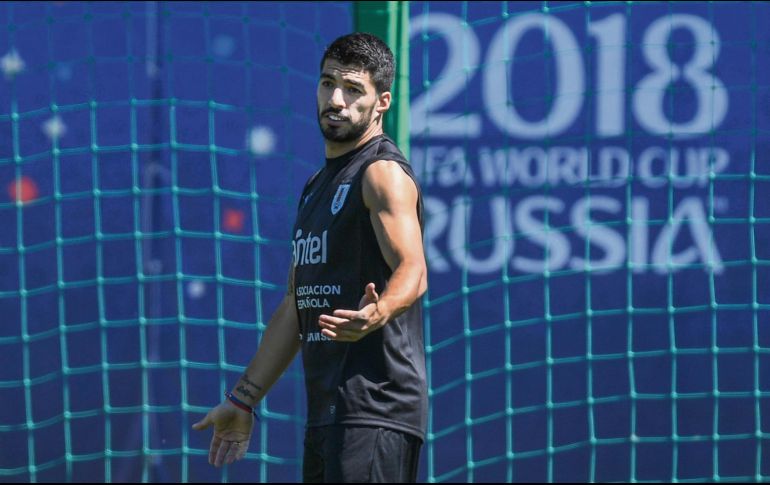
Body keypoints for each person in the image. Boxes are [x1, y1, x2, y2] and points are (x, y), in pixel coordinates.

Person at [192, 32, 428, 483]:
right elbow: (295, 305)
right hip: (329, 413)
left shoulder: (381, 174)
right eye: (327, 84)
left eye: (353, 89)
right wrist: (243, 399)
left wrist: (379, 312)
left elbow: (413, 270)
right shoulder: (316, 185)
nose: (335, 99)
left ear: (382, 102)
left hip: (377, 410)